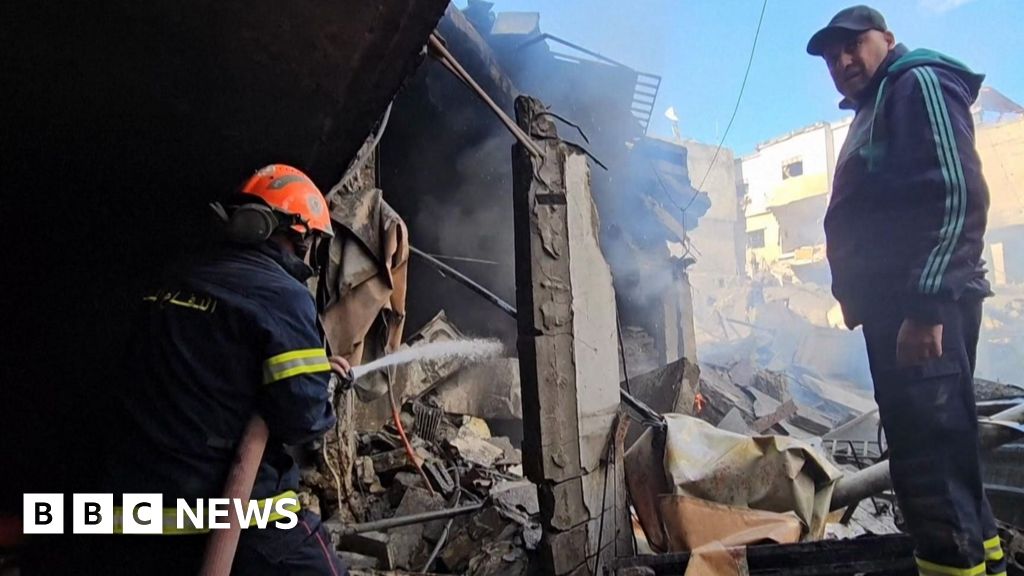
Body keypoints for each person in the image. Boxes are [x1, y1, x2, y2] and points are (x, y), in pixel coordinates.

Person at [807, 6, 1005, 576]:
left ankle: (954, 565)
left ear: (888, 39)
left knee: (928, 472)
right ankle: (986, 562)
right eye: (831, 56)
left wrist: (924, 309)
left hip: (918, 310)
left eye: (853, 46)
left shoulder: (915, 82)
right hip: (902, 310)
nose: (842, 61)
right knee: (947, 461)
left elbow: (955, 193)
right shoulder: (882, 103)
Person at [98, 164, 349, 575]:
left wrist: (307, 369)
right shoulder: (283, 296)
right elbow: (302, 419)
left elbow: (217, 370)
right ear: (298, 236)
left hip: (126, 510)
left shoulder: (175, 276)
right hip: (219, 511)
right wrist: (321, 390)